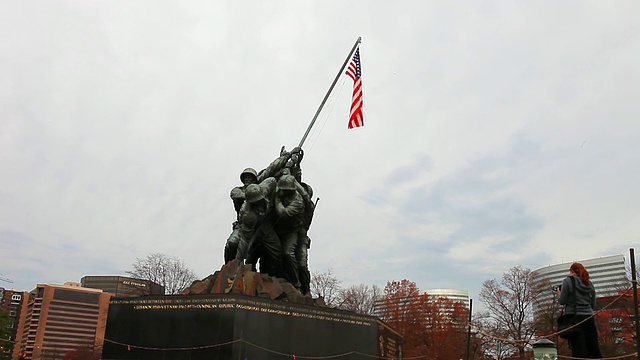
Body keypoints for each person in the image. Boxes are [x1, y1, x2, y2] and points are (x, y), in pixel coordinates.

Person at [556, 262, 603, 359]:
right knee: (593, 347)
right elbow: (593, 303)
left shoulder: (567, 281)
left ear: (572, 271)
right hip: (589, 317)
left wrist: (559, 293)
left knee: (578, 349)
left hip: (574, 317)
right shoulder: (589, 283)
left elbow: (562, 301)